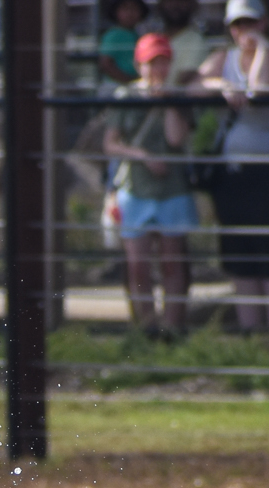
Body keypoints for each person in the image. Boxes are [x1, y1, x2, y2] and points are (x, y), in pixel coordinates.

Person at [198, 0, 269, 337]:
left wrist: (260, 48)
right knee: (241, 259)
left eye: (249, 23)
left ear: (263, 23)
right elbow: (191, 82)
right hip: (236, 177)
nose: (242, 31)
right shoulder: (223, 60)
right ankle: (251, 337)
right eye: (236, 25)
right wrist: (219, 85)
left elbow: (261, 88)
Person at [104, 32, 196, 338]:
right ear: (138, 64)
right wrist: (142, 156)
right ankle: (145, 328)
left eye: (162, 63)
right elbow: (111, 144)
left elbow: (175, 139)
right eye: (150, 63)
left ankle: (172, 327)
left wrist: (167, 102)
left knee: (172, 262)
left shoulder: (178, 96)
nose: (156, 70)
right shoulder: (124, 97)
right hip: (136, 188)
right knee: (137, 265)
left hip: (171, 189)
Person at [154, 0, 210, 88]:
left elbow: (185, 79)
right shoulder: (153, 38)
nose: (175, 5)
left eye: (182, 1)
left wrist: (165, 94)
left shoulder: (196, 41)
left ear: (193, 5)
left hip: (177, 100)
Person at [98, 0, 147, 88]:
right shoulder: (112, 35)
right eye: (125, 8)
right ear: (115, 12)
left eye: (134, 8)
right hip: (114, 86)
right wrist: (128, 81)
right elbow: (106, 63)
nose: (130, 13)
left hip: (134, 86)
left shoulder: (138, 35)